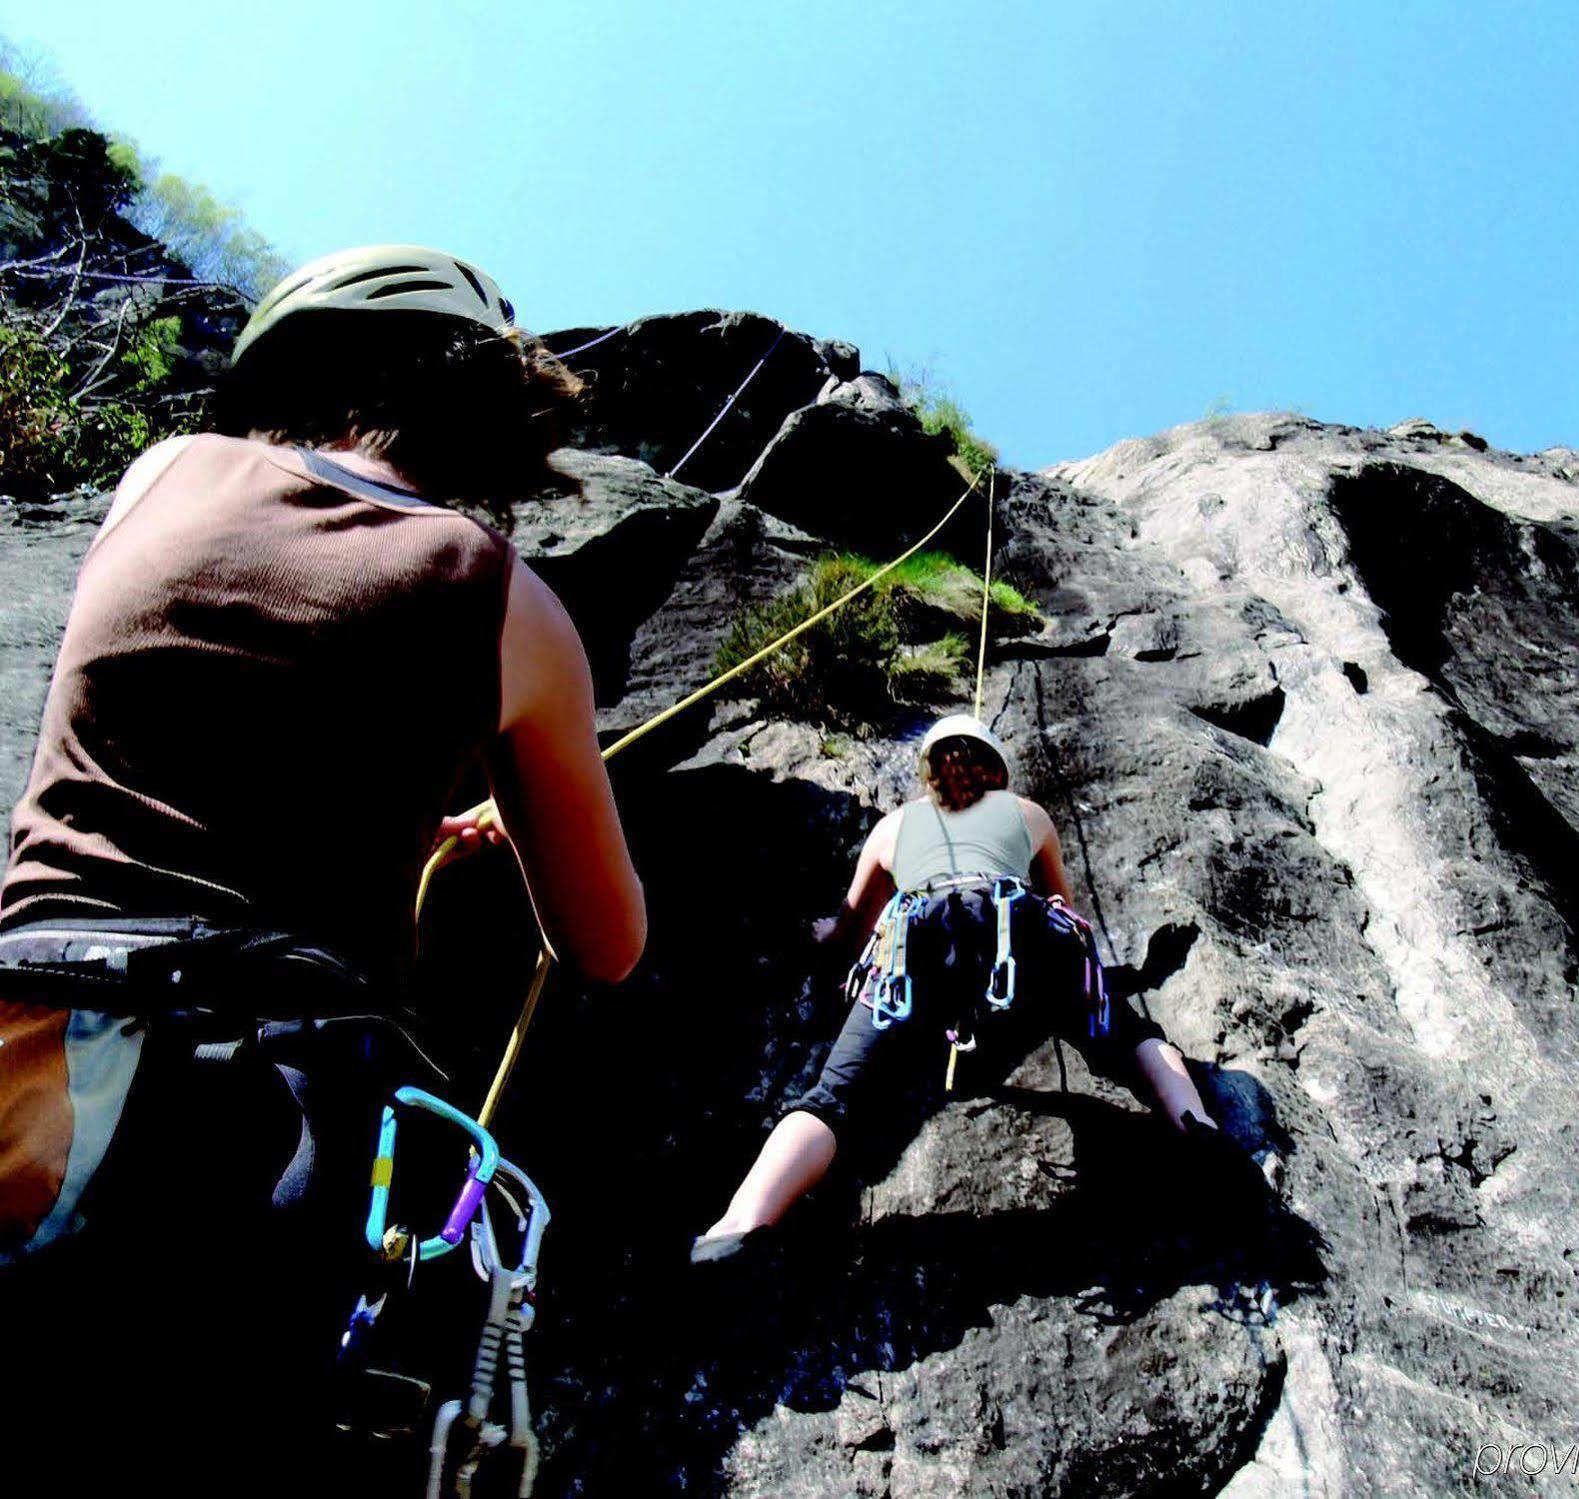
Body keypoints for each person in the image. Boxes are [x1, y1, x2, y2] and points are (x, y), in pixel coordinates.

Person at [0, 245, 646, 1490]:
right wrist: (510, 807)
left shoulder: (163, 475)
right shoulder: (510, 602)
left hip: (28, 1022)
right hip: (262, 1109)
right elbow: (605, 942)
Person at [692, 714, 1219, 1262]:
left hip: (919, 935)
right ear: (996, 771)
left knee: (833, 1097)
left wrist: (824, 935)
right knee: (1128, 1034)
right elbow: (1062, 907)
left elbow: (851, 930)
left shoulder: (892, 827)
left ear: (929, 772)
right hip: (1020, 927)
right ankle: (1197, 1127)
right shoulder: (1028, 814)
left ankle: (739, 1225)